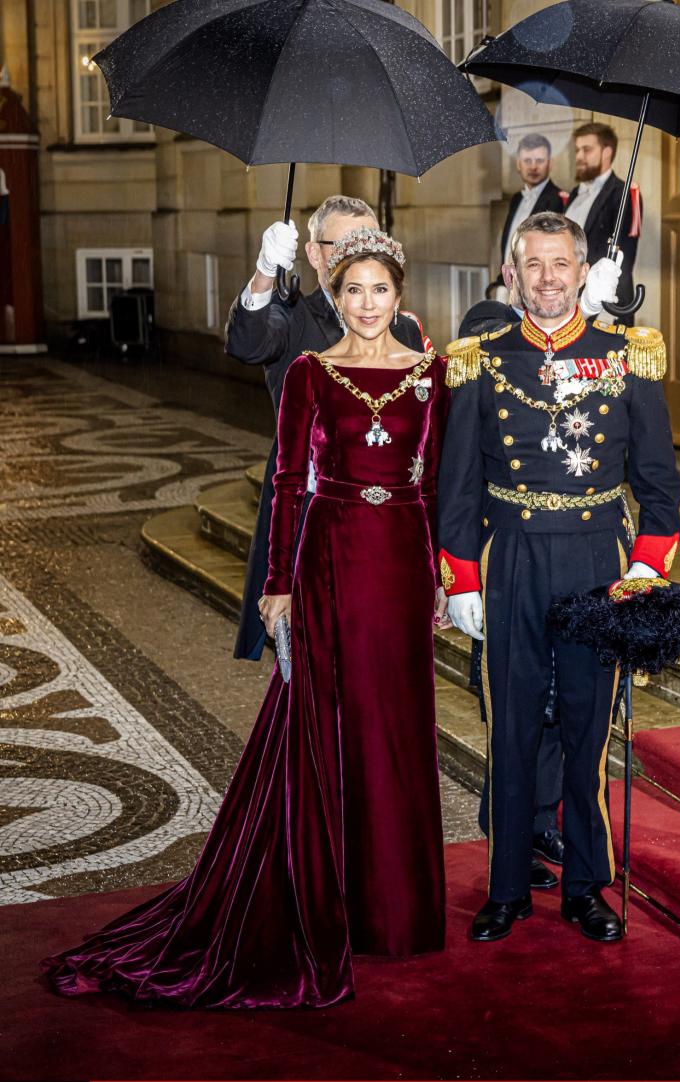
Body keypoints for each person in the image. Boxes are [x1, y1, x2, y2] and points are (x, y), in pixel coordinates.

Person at [42, 228, 448, 1008]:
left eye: (380, 290)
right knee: (328, 723)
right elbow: (290, 483)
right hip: (328, 560)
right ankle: (323, 896)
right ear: (335, 295)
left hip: (400, 560)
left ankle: (396, 909)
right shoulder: (307, 374)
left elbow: (433, 485)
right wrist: (278, 583)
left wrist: (438, 576)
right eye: (352, 289)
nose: (366, 304)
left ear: (401, 296)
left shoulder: (433, 377)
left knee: (397, 724)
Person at [438, 212, 680, 944]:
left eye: (560, 263)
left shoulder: (626, 356)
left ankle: (584, 888)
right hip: (510, 557)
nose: (547, 278)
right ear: (512, 274)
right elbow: (456, 491)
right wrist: (460, 581)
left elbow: (661, 485)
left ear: (582, 271)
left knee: (586, 729)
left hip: (595, 564)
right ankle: (507, 887)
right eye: (532, 264)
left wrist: (646, 566)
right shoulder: (481, 361)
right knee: (510, 729)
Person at [224, 196, 428, 660]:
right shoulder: (291, 315)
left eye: (369, 241)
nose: (360, 255)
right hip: (311, 514)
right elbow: (248, 342)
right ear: (314, 254)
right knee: (315, 668)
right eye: (344, 245)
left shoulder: (405, 330)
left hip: (388, 521)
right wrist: (264, 274)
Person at [565, 122, 640, 312]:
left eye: (587, 150)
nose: (579, 157)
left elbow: (623, 259)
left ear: (607, 152)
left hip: (605, 304)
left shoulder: (624, 194)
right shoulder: (574, 193)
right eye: (577, 150)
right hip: (570, 299)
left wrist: (595, 303)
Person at [494, 133, 566, 294]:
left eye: (539, 160)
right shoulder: (516, 198)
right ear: (518, 164)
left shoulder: (558, 200)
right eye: (527, 161)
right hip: (508, 286)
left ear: (550, 163)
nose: (533, 167)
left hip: (536, 290)